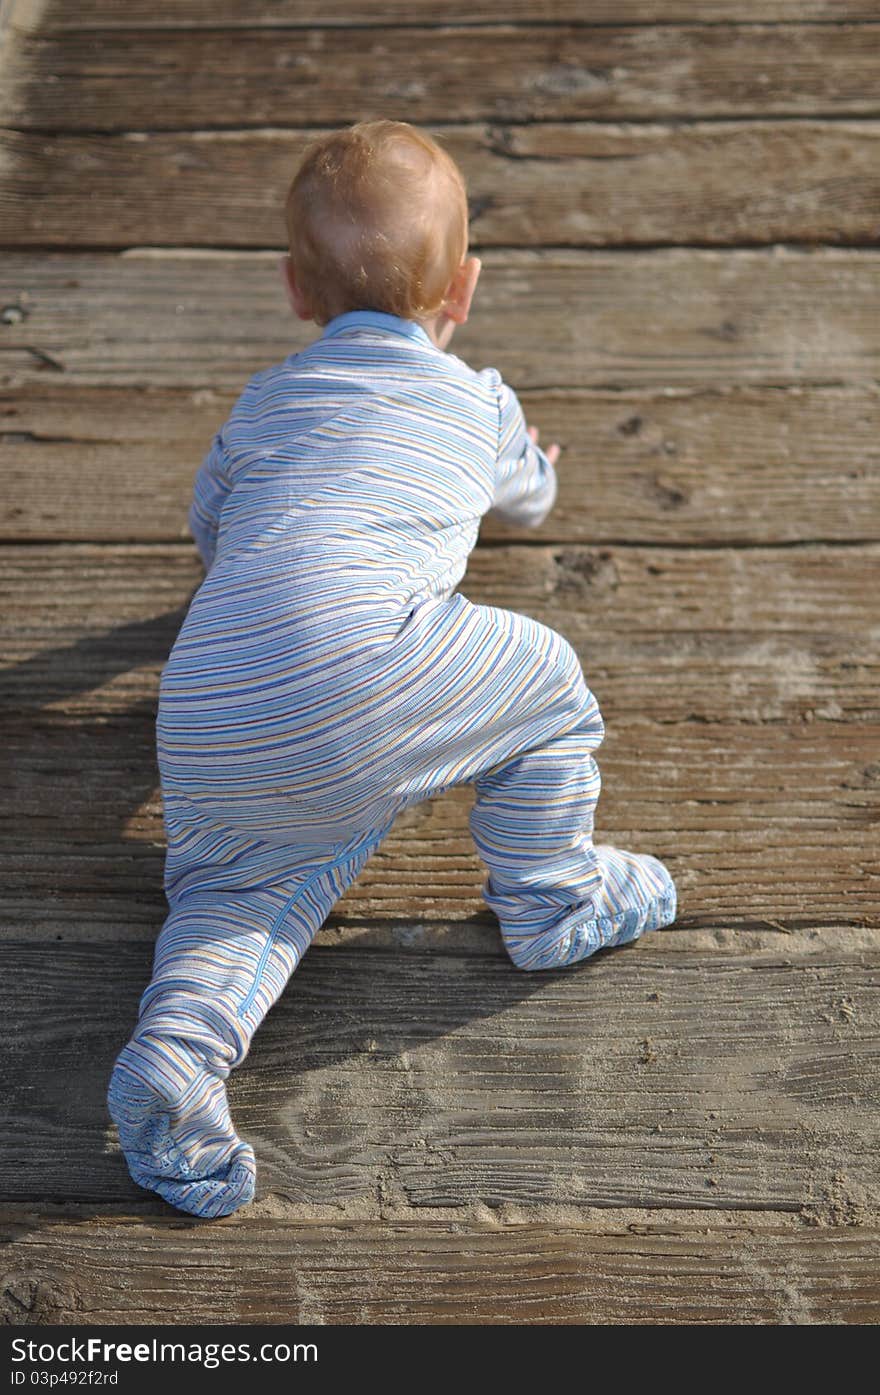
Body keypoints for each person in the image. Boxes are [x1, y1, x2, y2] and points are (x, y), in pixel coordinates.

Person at [107, 119, 677, 1220]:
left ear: (293, 289)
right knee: (552, 692)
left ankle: (176, 1063)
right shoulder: (478, 402)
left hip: (208, 703)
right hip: (372, 675)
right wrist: (535, 470)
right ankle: (551, 896)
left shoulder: (262, 404)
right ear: (462, 287)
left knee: (238, 900)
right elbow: (529, 497)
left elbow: (212, 529)